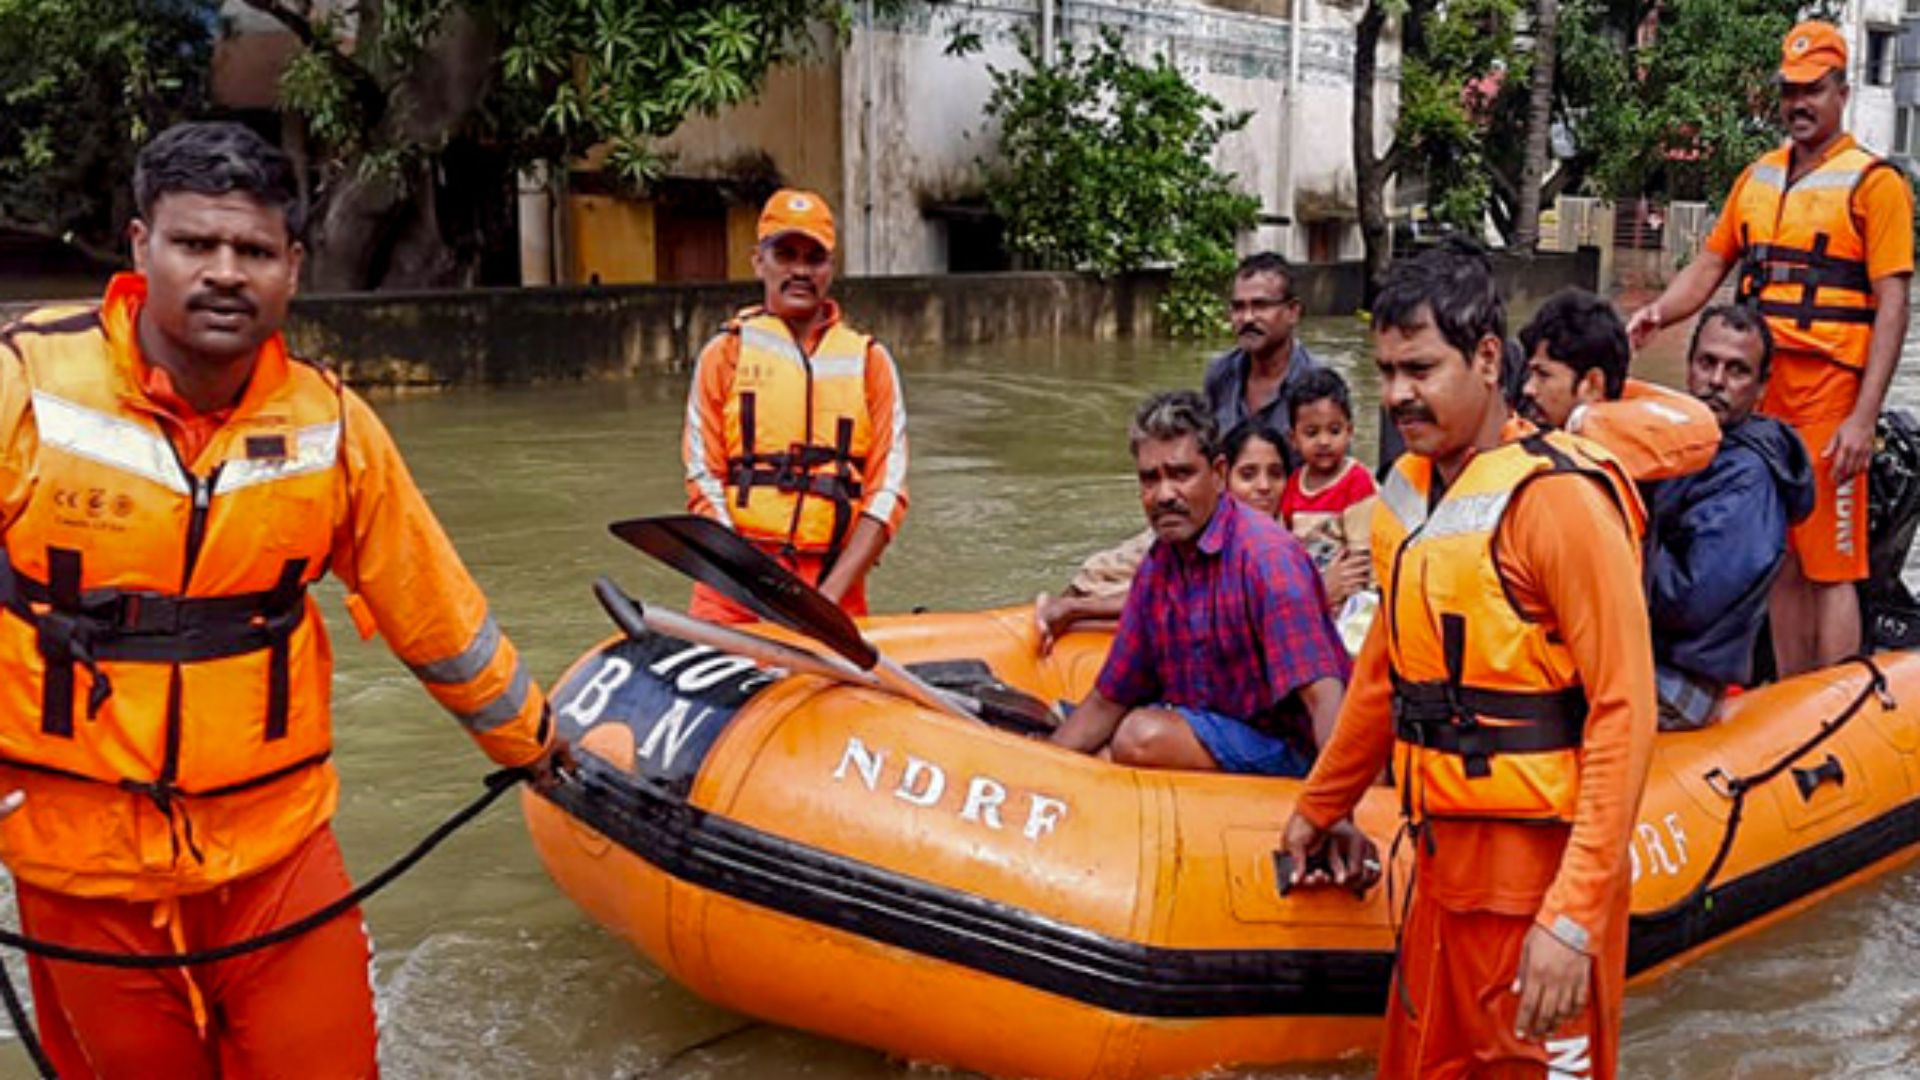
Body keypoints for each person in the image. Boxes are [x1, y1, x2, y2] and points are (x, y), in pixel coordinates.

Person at [0, 122, 571, 1077]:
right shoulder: (24, 385)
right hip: (78, 863)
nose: (225, 272)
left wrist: (539, 746)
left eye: (254, 250)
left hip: (276, 856)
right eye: (195, 244)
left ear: (293, 268)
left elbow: (436, 613)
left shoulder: (332, 426)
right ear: (142, 248)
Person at [1282, 243, 1655, 1079]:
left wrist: (1573, 915)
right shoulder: (1405, 499)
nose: (1398, 394)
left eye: (1420, 367)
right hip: (1439, 873)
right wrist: (1320, 807)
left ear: (1488, 359)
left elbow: (1625, 711)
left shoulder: (1556, 504)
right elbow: (1383, 680)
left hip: (1537, 877)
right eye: (1385, 370)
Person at [1627, 21, 1914, 675]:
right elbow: (1708, 265)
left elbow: (1892, 303)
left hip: (1830, 395)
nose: (1799, 104)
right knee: (1779, 552)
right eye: (1790, 91)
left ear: (1841, 91)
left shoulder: (1876, 185)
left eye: (1813, 90)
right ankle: (1787, 703)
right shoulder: (1755, 178)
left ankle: (1839, 709)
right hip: (1761, 397)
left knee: (1831, 564)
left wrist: (1863, 418)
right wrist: (1657, 313)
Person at [1050, 392, 1353, 778]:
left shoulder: (1267, 560)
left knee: (1139, 736)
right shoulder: (1159, 565)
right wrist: (1039, 768)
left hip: (1291, 750)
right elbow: (1110, 698)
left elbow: (1325, 697)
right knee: (1103, 750)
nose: (1163, 495)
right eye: (1150, 479)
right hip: (1214, 728)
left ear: (1218, 474)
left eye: (1181, 474)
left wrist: (1335, 808)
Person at [683, 188, 909, 624]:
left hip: (834, 588)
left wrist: (824, 602)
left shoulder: (871, 362)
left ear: (831, 268)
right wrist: (749, 577)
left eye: (814, 258)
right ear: (759, 262)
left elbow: (889, 492)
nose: (800, 271)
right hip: (733, 588)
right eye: (785, 254)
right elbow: (702, 475)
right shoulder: (724, 354)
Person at [1650, 306, 1815, 729]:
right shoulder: (1684, 446)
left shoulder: (1749, 477)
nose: (1717, 381)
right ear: (1689, 368)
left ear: (1761, 388)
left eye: (1737, 370)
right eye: (1707, 363)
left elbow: (1688, 603)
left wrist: (1617, 539)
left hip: (1679, 681)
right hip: (1648, 655)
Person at [1034, 420, 1289, 650]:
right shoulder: (1186, 529)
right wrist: (1072, 608)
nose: (1264, 487)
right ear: (1220, 478)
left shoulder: (1287, 543)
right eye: (1247, 475)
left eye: (1276, 474)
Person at [1518, 287, 1720, 484]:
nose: (1529, 388)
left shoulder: (1633, 453)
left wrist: (1580, 423)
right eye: (1531, 374)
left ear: (1593, 384)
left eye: (1543, 375)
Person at [1279, 367, 1377, 611]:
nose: (1324, 441)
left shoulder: (1357, 482)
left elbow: (1361, 558)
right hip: (1309, 591)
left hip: (1350, 596)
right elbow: (1283, 545)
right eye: (1311, 433)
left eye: (1334, 430)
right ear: (1294, 439)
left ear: (1349, 431)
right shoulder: (1293, 484)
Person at [1203, 252, 1323, 437]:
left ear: (1293, 312)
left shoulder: (1319, 384)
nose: (1247, 318)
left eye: (1260, 306)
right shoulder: (1220, 374)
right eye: (1238, 307)